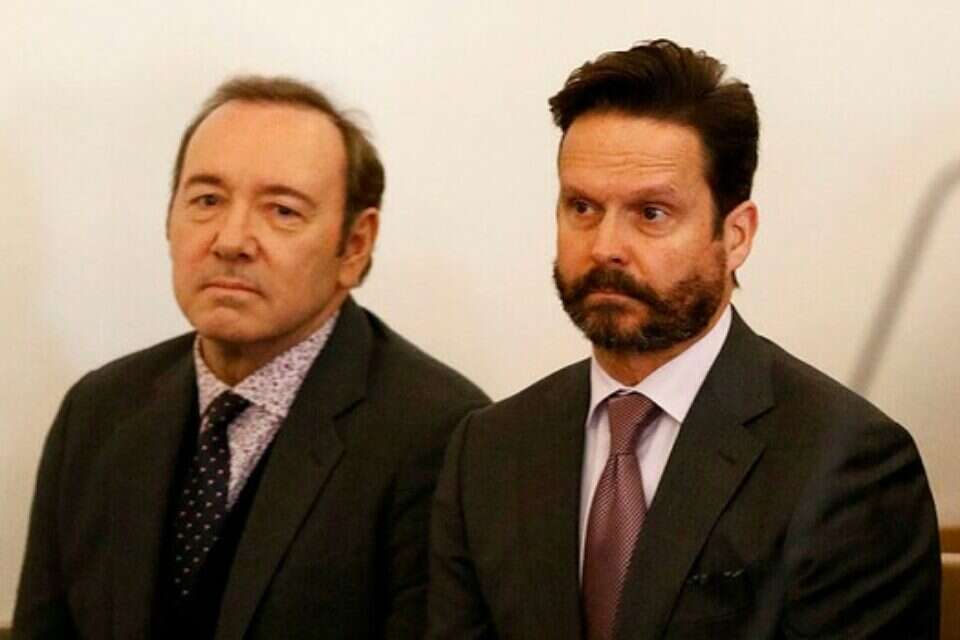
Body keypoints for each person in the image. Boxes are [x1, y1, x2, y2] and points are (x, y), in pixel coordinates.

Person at [428, 39, 940, 639]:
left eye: (651, 213)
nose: (605, 247)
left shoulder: (849, 463)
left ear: (736, 235)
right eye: (582, 207)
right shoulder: (490, 450)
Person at [14, 75, 489, 639]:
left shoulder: (439, 435)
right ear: (169, 218)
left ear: (355, 245)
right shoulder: (98, 410)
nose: (231, 240)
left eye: (282, 211)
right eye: (207, 201)